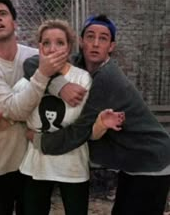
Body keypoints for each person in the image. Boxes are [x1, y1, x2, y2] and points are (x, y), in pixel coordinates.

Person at [28, 14, 170, 215]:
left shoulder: (107, 78)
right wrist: (61, 86)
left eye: (103, 38)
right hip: (132, 162)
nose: (95, 43)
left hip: (150, 159)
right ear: (81, 41)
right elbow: (32, 63)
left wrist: (41, 142)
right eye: (90, 36)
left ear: (111, 46)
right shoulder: (77, 64)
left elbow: (80, 131)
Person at [0, 19, 125, 215]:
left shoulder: (82, 79)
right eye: (46, 43)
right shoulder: (31, 79)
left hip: (73, 166)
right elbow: (16, 111)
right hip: (36, 165)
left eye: (59, 42)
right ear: (39, 47)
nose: (52, 48)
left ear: (69, 47)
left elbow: (86, 131)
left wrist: (102, 123)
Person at [0, 0, 69, 215]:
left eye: (3, 14)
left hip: (33, 157)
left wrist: (4, 116)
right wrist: (41, 76)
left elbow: (58, 101)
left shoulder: (34, 56)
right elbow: (17, 108)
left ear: (14, 22)